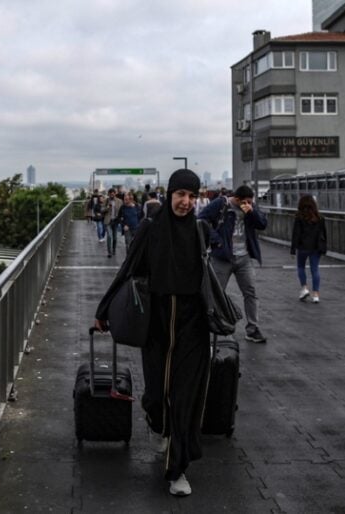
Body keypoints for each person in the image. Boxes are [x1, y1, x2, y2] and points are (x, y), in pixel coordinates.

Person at [95, 168, 210, 497]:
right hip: (157, 325)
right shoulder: (150, 229)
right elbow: (128, 268)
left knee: (184, 399)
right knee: (158, 395)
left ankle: (177, 471)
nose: (186, 202)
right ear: (169, 194)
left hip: (193, 326)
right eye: (180, 195)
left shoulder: (200, 230)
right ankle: (156, 421)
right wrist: (103, 312)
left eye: (191, 196)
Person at [198, 184, 268, 343]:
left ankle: (253, 328)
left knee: (251, 292)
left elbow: (263, 224)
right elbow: (201, 219)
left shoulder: (250, 206)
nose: (247, 205)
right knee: (215, 292)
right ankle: (209, 327)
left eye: (250, 202)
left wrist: (252, 212)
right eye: (244, 202)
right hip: (223, 257)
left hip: (244, 257)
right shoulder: (221, 204)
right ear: (236, 199)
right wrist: (217, 241)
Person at [290, 194, 327, 303]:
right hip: (316, 247)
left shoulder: (299, 217)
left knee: (301, 267)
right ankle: (316, 295)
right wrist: (324, 247)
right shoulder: (320, 218)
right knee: (315, 269)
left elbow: (296, 234)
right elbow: (324, 234)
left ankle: (304, 288)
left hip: (302, 247)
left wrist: (293, 249)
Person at [104, 188, 123, 259]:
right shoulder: (106, 201)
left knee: (115, 237)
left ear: (115, 194)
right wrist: (107, 207)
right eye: (110, 193)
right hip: (108, 221)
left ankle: (114, 249)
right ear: (108, 194)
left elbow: (122, 210)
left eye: (113, 193)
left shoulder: (119, 201)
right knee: (109, 236)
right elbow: (101, 209)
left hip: (115, 221)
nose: (112, 195)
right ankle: (109, 252)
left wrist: (121, 218)